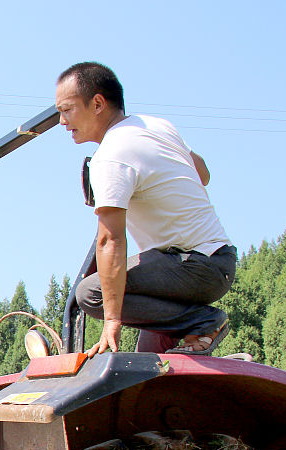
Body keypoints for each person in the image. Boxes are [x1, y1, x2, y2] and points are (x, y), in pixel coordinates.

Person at [56, 62, 237, 356]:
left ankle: (204, 322)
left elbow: (110, 240)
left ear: (98, 103)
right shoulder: (156, 126)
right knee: (149, 358)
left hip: (193, 265)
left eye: (67, 110)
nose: (62, 121)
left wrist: (111, 321)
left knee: (90, 293)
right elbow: (202, 174)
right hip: (217, 261)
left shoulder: (111, 155)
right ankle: (188, 342)